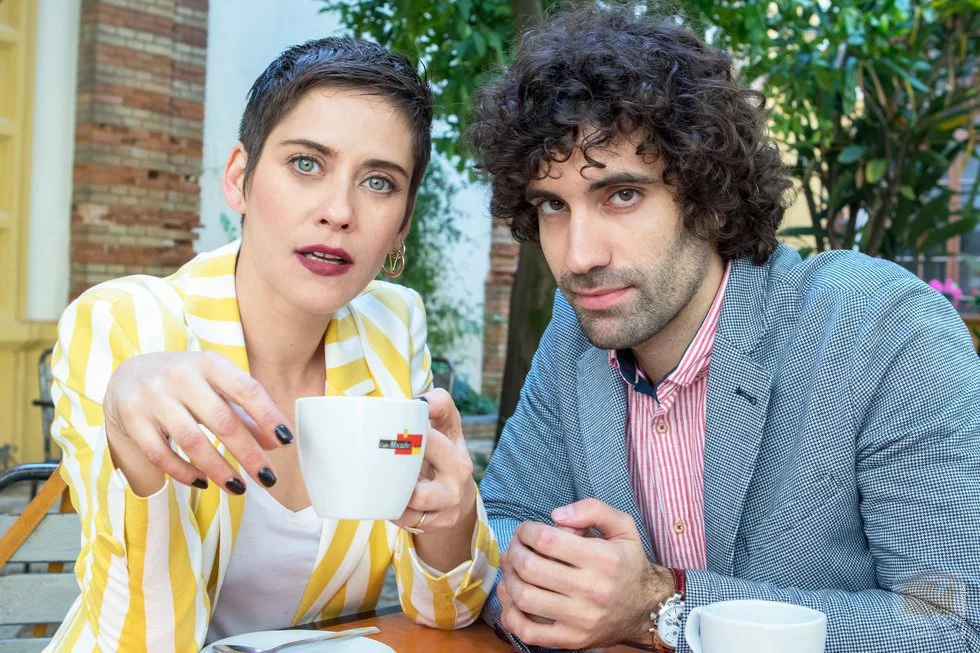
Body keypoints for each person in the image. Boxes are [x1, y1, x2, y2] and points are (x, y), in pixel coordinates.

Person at [468, 6, 980, 652]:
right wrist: (551, 587)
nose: (578, 256)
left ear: (710, 201)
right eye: (552, 205)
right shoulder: (576, 333)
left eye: (622, 195)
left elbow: (954, 623)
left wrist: (663, 608)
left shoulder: (883, 330)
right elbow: (500, 528)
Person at [46, 37, 498, 651]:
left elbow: (447, 612)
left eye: (379, 181)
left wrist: (453, 513)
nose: (339, 211)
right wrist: (132, 447)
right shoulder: (126, 327)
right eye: (306, 163)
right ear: (240, 178)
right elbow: (143, 639)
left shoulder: (393, 324)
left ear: (403, 224)